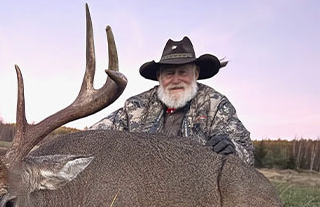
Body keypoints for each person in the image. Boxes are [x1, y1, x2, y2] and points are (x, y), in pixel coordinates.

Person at [90, 37, 254, 165]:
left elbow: (246, 152)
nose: (176, 80)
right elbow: (94, 136)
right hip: (140, 189)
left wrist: (233, 149)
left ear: (196, 74)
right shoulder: (135, 107)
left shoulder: (215, 105)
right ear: (158, 77)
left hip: (199, 191)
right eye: (169, 73)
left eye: (183, 72)